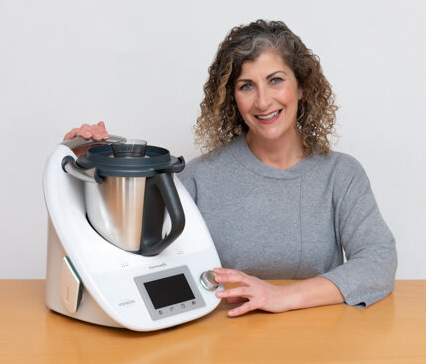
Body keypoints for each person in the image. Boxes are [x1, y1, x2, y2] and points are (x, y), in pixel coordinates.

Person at [64, 20, 397, 317]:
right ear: (231, 98)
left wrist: (282, 296)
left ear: (302, 86)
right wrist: (90, 161)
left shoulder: (341, 174)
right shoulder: (198, 177)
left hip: (322, 342)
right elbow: (129, 251)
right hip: (227, 341)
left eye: (276, 80)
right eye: (246, 86)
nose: (263, 101)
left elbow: (378, 263)